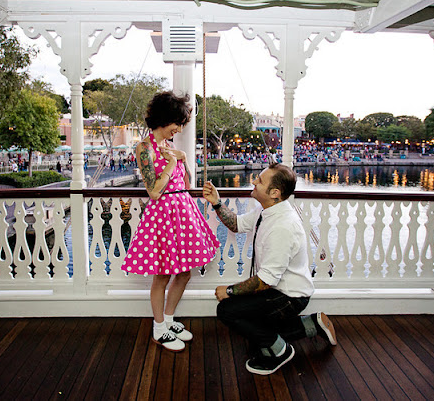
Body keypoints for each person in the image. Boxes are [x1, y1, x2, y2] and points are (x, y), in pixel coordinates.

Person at [202, 163, 337, 375]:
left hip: (289, 296)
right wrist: (217, 203)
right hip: (276, 290)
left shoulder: (282, 226)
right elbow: (236, 224)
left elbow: (266, 280)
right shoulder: (267, 210)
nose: (254, 181)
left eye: (260, 180)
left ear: (274, 193)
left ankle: (281, 352)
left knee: (227, 310)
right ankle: (313, 325)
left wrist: (228, 291)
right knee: (256, 325)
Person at [121, 91, 219, 352]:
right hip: (163, 216)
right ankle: (158, 328)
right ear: (166, 118)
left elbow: (185, 185)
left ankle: (170, 319)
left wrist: (183, 161)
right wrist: (170, 163)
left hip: (182, 211)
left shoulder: (170, 147)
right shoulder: (144, 148)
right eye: (178, 123)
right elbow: (153, 191)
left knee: (184, 272)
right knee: (162, 275)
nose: (180, 128)